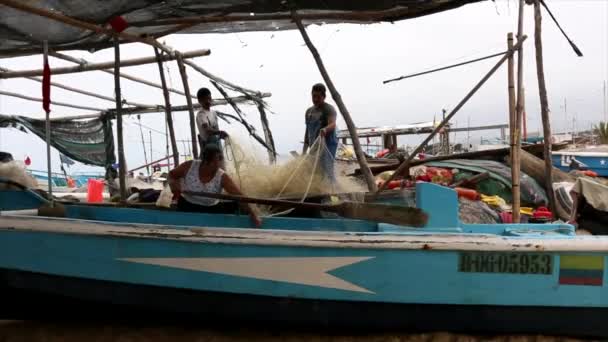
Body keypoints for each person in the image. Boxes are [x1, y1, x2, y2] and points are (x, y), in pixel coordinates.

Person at [168, 144, 262, 227]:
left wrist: (252, 213)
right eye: (217, 160)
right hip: (187, 206)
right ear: (205, 161)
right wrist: (174, 185)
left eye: (220, 159)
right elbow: (171, 175)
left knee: (236, 205)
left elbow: (238, 195)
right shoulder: (189, 166)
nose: (220, 163)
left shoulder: (222, 176)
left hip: (210, 209)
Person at [302, 83, 338, 184]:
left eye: (318, 96)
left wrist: (325, 129)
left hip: (328, 144)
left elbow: (332, 124)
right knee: (314, 169)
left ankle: (332, 192)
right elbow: (307, 131)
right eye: (314, 96)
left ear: (324, 96)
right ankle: (319, 190)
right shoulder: (309, 111)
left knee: (327, 170)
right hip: (314, 144)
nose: (316, 99)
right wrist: (304, 151)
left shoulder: (329, 109)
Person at [196, 87, 228, 158]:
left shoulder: (213, 113)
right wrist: (220, 132)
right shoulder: (201, 114)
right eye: (205, 99)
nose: (208, 101)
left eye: (209, 98)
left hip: (217, 143)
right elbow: (207, 130)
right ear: (199, 101)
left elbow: (216, 130)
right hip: (209, 146)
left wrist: (221, 135)